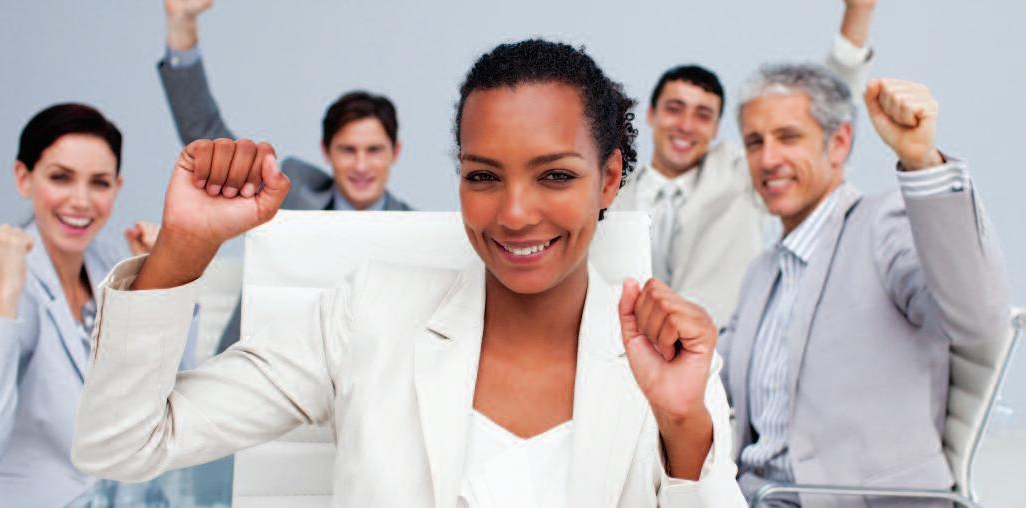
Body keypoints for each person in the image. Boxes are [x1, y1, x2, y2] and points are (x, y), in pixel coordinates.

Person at [71, 40, 747, 506]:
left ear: (607, 178)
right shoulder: (368, 316)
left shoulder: (670, 359)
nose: (514, 213)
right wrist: (184, 249)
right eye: (483, 176)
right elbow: (120, 446)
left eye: (554, 176)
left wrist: (682, 426)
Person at [718, 64, 1010, 507]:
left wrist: (922, 163)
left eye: (788, 137)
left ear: (838, 143)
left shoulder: (884, 226)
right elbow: (716, 378)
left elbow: (977, 317)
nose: (768, 158)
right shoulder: (762, 272)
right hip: (755, 497)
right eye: (755, 142)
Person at [0, 104, 198, 508]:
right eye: (61, 177)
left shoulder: (109, 267)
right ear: (23, 178)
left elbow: (170, 403)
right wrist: (3, 294)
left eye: (99, 183)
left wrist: (164, 283)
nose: (81, 201)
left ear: (117, 188)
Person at [160, 0, 413, 351]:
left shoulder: (413, 232)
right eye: (347, 150)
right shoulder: (289, 194)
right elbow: (206, 136)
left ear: (394, 153)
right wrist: (181, 26)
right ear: (326, 151)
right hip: (258, 366)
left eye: (373, 150)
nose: (360, 165)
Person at [612, 0, 878, 325]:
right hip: (621, 350)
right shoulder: (609, 194)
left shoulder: (741, 174)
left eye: (703, 115)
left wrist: (858, 13)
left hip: (720, 350)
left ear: (716, 129)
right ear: (651, 114)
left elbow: (824, 105)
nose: (686, 125)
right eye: (674, 109)